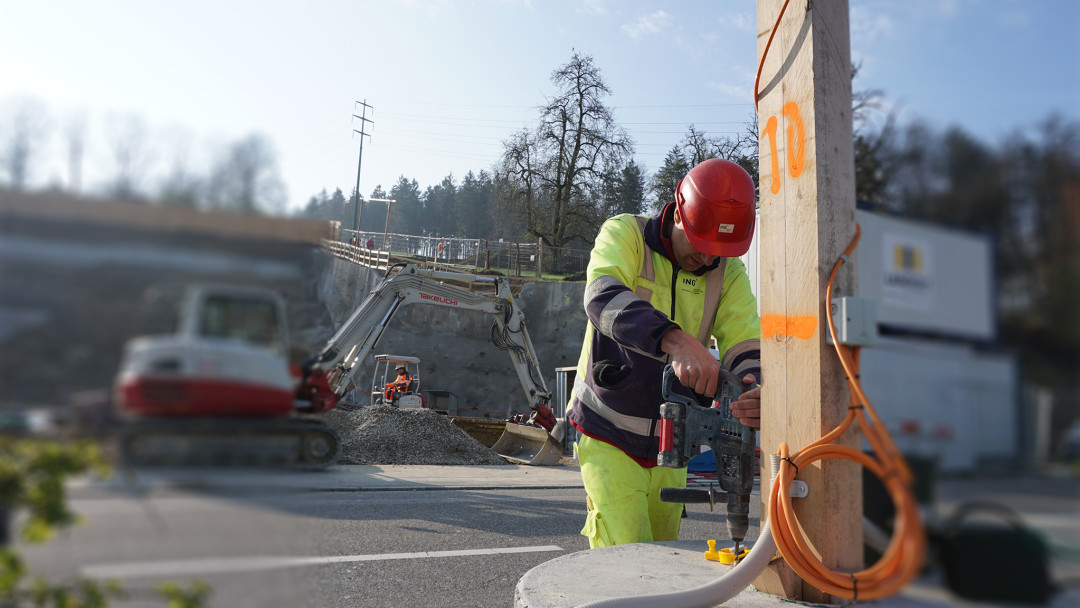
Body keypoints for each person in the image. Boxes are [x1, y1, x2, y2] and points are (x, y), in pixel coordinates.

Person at [567, 158, 763, 548]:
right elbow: (600, 295)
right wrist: (676, 340)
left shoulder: (729, 272)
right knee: (626, 561)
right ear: (678, 213)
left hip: (674, 447)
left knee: (662, 563)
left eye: (718, 252)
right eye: (702, 245)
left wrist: (754, 386)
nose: (708, 260)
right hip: (609, 432)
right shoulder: (626, 234)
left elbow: (745, 340)